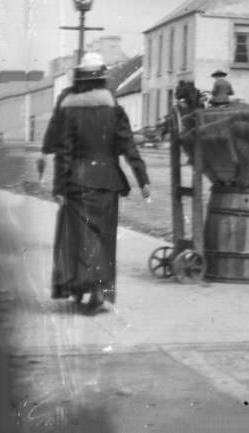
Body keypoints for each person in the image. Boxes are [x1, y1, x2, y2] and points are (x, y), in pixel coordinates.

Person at [50, 52, 151, 315]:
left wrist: (59, 187)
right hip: (107, 182)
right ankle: (102, 292)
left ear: (80, 80)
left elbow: (64, 152)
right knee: (105, 241)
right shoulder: (113, 108)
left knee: (80, 239)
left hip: (77, 182)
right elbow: (127, 144)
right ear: (102, 80)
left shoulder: (68, 109)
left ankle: (83, 289)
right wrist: (142, 179)